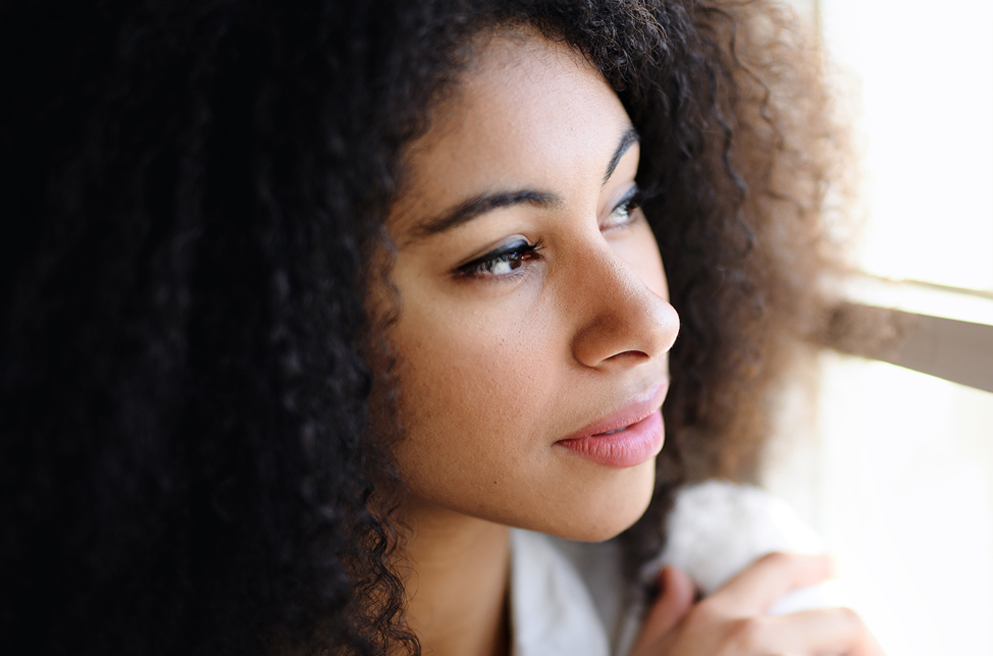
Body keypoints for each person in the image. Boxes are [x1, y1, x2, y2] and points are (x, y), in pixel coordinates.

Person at [0, 1, 877, 654]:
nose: (651, 316)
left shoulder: (741, 604)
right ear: (272, 326)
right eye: (505, 255)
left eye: (625, 201)